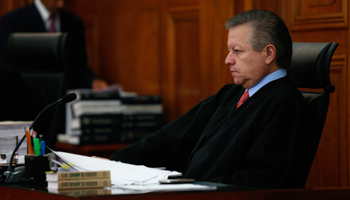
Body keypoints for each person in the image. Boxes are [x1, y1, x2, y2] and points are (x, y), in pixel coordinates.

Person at [108, 10, 310, 189]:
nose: (228, 59)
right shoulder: (231, 94)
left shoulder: (285, 104)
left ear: (268, 53)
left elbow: (263, 179)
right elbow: (174, 139)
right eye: (229, 50)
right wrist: (114, 163)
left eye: (237, 51)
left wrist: (198, 188)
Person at [0, 0, 108, 90]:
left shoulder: (74, 23)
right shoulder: (13, 21)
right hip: (29, 100)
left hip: (65, 101)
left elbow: (79, 66)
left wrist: (92, 81)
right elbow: (7, 67)